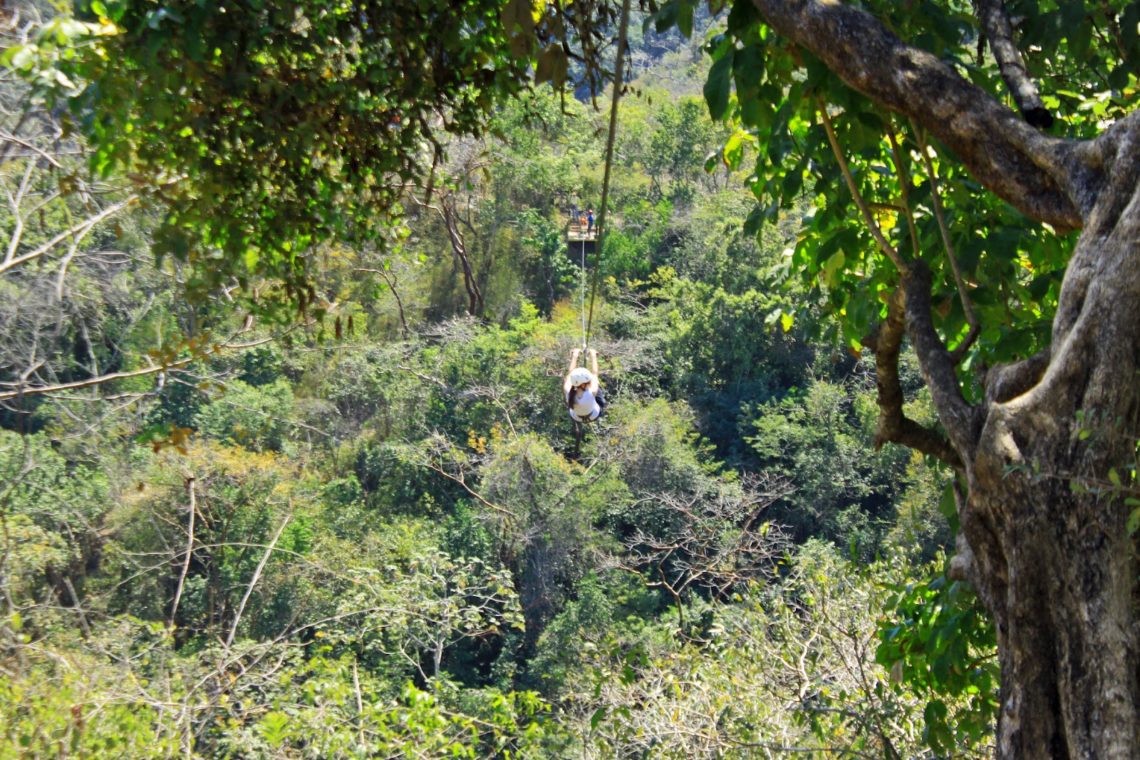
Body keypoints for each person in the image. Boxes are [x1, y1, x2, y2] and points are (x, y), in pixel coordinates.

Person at [563, 347, 605, 423]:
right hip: (594, 415)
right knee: (596, 386)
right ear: (583, 384)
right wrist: (593, 355)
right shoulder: (592, 392)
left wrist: (575, 356)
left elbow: (570, 374)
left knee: (567, 383)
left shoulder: (568, 390)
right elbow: (595, 373)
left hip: (576, 417)